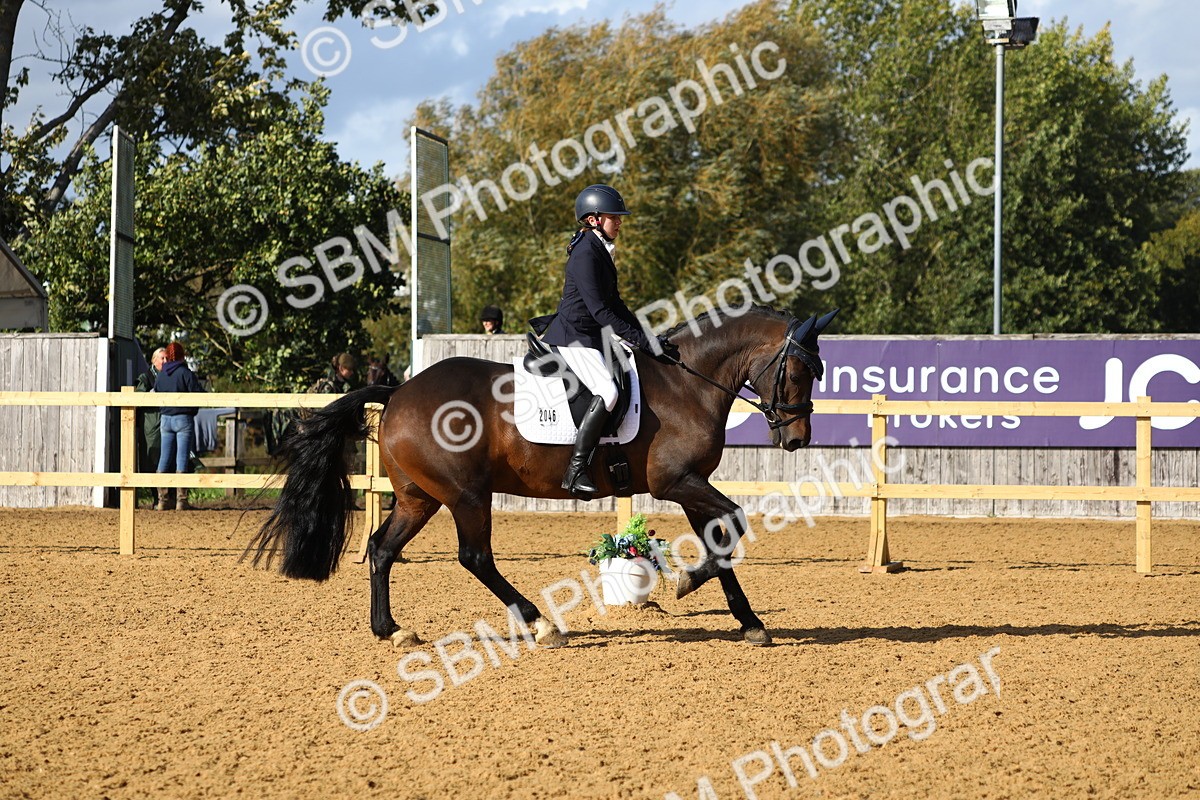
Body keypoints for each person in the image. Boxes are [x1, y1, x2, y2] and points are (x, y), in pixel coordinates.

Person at [540, 184, 679, 496]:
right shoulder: (586, 254)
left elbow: (615, 304)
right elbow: (601, 312)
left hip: (591, 335)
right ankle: (576, 469)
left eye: (619, 217)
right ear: (593, 219)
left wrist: (647, 338)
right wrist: (642, 342)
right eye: (613, 217)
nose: (619, 222)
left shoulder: (598, 249)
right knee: (608, 391)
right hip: (574, 336)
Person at [154, 342, 205, 510]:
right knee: (181, 458)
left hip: (165, 419)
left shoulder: (161, 374)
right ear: (183, 356)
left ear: (167, 356)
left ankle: (162, 499)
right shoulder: (186, 373)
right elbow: (197, 394)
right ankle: (181, 500)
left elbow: (156, 392)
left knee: (164, 457)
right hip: (183, 418)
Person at [136, 347, 168, 508]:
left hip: (166, 424)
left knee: (168, 459)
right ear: (154, 360)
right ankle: (156, 497)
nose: (165, 361)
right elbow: (138, 398)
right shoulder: (146, 377)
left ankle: (168, 498)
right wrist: (150, 395)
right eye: (162, 358)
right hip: (150, 426)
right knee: (151, 460)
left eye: (167, 358)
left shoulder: (169, 377)